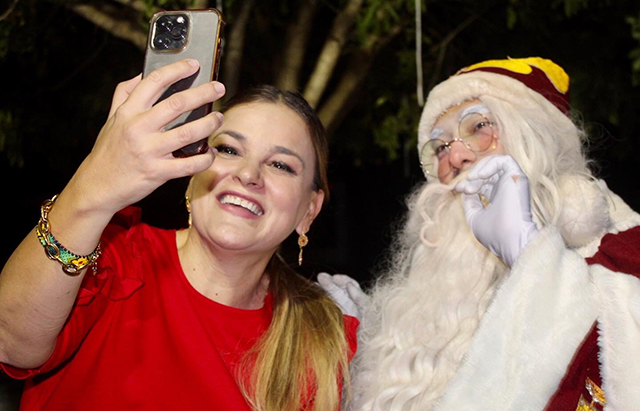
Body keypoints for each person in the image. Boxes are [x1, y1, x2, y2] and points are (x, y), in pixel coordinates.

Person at [0, 60, 358, 410]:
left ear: (310, 210)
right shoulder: (111, 257)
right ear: (191, 169)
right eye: (229, 149)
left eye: (280, 165)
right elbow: (10, 342)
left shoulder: (328, 338)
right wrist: (91, 189)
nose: (249, 174)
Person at [321, 57, 640, 410]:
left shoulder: (624, 249)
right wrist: (361, 339)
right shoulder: (431, 287)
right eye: (440, 147)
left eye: (478, 127)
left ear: (532, 139)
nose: (454, 156)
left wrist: (528, 254)